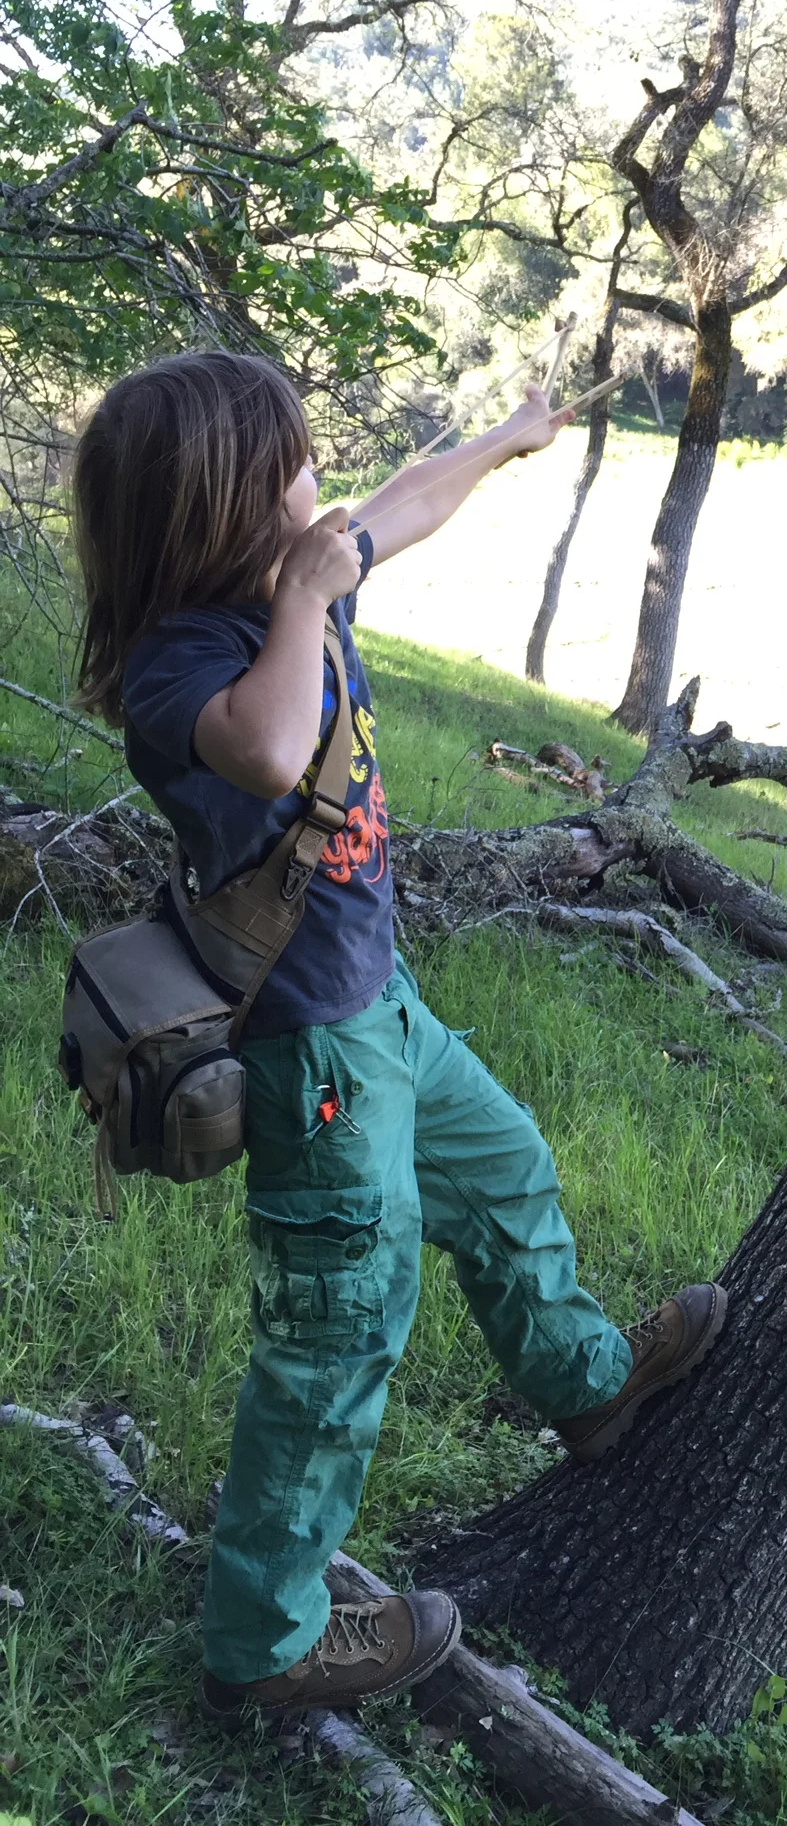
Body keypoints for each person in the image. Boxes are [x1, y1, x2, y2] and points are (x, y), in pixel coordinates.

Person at [70, 350, 727, 1726]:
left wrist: (508, 438)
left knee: (504, 1171)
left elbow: (408, 500)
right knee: (339, 1326)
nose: (320, 482)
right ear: (222, 502)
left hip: (383, 1004)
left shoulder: (285, 582)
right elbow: (268, 750)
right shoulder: (182, 661)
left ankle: (588, 1387)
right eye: (294, 462)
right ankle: (264, 1644)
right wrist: (307, 594)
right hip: (310, 1053)